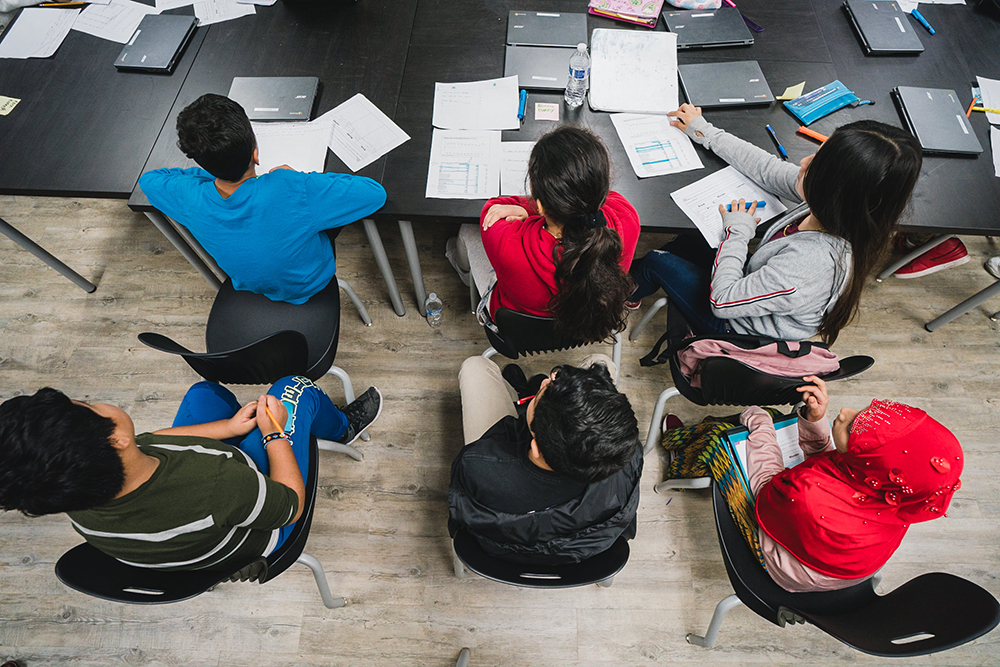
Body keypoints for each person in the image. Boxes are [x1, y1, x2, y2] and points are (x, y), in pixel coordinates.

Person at [0, 377, 382, 571]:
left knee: (204, 394)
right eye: (85, 405)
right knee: (292, 390)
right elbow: (290, 506)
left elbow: (151, 441)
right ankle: (344, 427)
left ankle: (242, 426)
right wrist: (273, 433)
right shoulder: (215, 482)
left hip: (197, 522)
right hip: (263, 523)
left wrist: (231, 429)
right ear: (115, 438)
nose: (94, 402)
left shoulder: (72, 494)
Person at [629, 104, 923, 344]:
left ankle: (621, 298)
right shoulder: (843, 207)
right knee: (687, 242)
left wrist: (738, 232)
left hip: (738, 329)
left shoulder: (809, 267)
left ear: (837, 189)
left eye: (816, 165)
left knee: (656, 261)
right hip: (751, 283)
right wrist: (704, 131)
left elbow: (722, 302)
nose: (804, 162)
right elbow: (766, 168)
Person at [138, 94, 387, 305]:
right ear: (255, 155)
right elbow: (375, 194)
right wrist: (300, 178)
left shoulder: (188, 196)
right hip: (311, 283)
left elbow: (149, 180)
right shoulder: (288, 186)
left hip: (252, 287)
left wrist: (209, 173)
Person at [743, 377, 962, 592]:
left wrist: (759, 422)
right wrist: (815, 420)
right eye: (861, 414)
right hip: (852, 569)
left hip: (792, 571)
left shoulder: (805, 493)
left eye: (851, 428)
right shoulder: (899, 494)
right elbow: (841, 466)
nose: (844, 411)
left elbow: (766, 484)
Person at [446, 126, 640, 343]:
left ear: (540, 204)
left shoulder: (509, 243)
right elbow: (605, 200)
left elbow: (493, 208)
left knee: (466, 230)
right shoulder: (627, 217)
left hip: (516, 328)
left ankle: (464, 273)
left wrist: (526, 209)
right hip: (584, 327)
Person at [449, 355, 643, 565]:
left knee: (475, 366)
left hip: (502, 550)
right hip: (578, 550)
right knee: (601, 360)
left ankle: (518, 395)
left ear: (536, 447)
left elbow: (460, 515)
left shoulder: (479, 464)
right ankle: (525, 398)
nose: (544, 380)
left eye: (543, 389)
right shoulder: (625, 455)